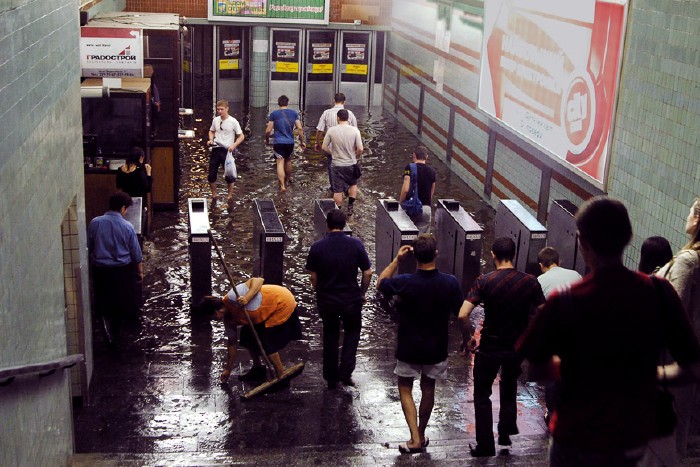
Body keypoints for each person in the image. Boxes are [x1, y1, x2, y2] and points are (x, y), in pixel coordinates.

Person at [517, 197, 700, 466]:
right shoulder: (659, 293)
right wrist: (649, 375)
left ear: (581, 242)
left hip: (574, 437)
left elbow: (536, 370)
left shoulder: (564, 301)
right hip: (633, 437)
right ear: (628, 238)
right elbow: (693, 368)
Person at [376, 234, 464, 454]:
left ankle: (414, 437)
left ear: (413, 255)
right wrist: (466, 338)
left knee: (405, 387)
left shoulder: (403, 282)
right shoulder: (450, 282)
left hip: (408, 346)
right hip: (437, 347)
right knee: (428, 387)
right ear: (436, 254)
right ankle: (421, 434)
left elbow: (380, 283)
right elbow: (461, 313)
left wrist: (397, 260)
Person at [459, 237, 545, 457]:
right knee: (509, 385)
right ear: (514, 255)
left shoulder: (484, 280)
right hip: (516, 348)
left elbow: (463, 314)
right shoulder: (530, 281)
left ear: (493, 255)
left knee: (482, 395)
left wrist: (468, 338)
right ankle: (505, 432)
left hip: (490, 346)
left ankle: (485, 445)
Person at [305, 209, 372, 389]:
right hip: (351, 299)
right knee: (352, 333)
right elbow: (368, 272)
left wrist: (319, 292)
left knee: (330, 334)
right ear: (344, 225)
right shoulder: (356, 244)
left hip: (327, 299)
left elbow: (313, 276)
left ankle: (331, 376)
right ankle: (346, 371)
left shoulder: (317, 247)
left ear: (327, 225)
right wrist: (362, 292)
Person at [655, 197, 700, 461]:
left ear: (696, 220)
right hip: (693, 352)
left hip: (673, 356)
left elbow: (675, 308)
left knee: (667, 429)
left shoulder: (687, 261)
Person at [197, 277, 302, 384]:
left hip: (281, 303)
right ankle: (258, 369)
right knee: (246, 335)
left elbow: (259, 280)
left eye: (212, 318)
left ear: (216, 312)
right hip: (264, 313)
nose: (214, 320)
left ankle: (281, 373)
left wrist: (247, 297)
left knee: (266, 340)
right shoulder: (228, 320)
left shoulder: (234, 296)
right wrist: (228, 369)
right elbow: (232, 344)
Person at [88, 191, 144, 347]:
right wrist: (140, 271)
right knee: (121, 301)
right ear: (123, 208)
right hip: (122, 271)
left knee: (103, 299)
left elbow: (89, 246)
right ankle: (116, 333)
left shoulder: (95, 223)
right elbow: (135, 253)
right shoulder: (127, 226)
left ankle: (105, 328)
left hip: (100, 270)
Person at [535, 246, 582, 427]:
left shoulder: (539, 280)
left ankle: (552, 411)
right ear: (558, 261)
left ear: (541, 265)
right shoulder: (576, 275)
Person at [321, 109, 363, 216]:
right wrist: (356, 157)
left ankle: (338, 212)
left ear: (338, 118)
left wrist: (331, 154)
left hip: (337, 164)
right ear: (348, 118)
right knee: (353, 184)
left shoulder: (331, 130)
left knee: (338, 190)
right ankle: (350, 208)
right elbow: (360, 148)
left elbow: (324, 147)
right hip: (351, 163)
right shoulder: (355, 131)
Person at [314, 92, 358, 188]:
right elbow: (356, 131)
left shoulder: (326, 113)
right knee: (347, 170)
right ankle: (346, 190)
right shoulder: (350, 114)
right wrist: (355, 149)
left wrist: (317, 142)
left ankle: (334, 189)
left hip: (331, 148)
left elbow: (319, 130)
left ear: (334, 100)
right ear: (344, 102)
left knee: (332, 169)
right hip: (347, 149)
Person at [207, 99, 244, 206]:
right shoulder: (216, 120)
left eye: (222, 109)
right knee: (211, 175)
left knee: (230, 174)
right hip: (216, 148)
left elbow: (241, 136)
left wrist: (233, 145)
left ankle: (229, 195)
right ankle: (214, 194)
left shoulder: (233, 121)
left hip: (227, 151)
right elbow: (211, 130)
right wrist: (210, 139)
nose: (220, 111)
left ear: (227, 109)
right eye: (218, 109)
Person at [265, 95, 306, 192]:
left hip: (278, 142)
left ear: (278, 103)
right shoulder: (294, 113)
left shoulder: (274, 114)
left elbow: (268, 130)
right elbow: (300, 128)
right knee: (288, 160)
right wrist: (302, 141)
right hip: (290, 142)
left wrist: (266, 139)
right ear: (287, 103)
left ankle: (282, 186)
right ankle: (287, 181)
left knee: (280, 162)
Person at [398, 145, 436, 234]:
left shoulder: (409, 168)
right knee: (422, 241)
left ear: (414, 155)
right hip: (426, 209)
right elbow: (431, 191)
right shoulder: (432, 171)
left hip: (411, 208)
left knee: (407, 236)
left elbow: (405, 190)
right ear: (426, 157)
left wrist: (400, 204)